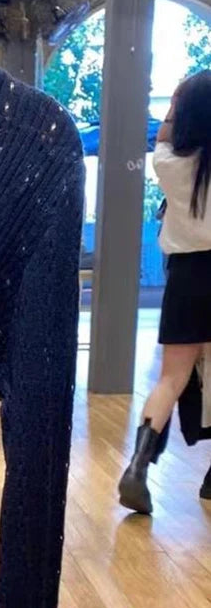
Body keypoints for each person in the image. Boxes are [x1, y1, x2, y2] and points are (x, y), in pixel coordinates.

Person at [119, 72, 211, 513]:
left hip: (186, 278)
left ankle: (137, 467)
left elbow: (165, 133)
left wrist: (175, 107)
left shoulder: (167, 164)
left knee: (171, 380)